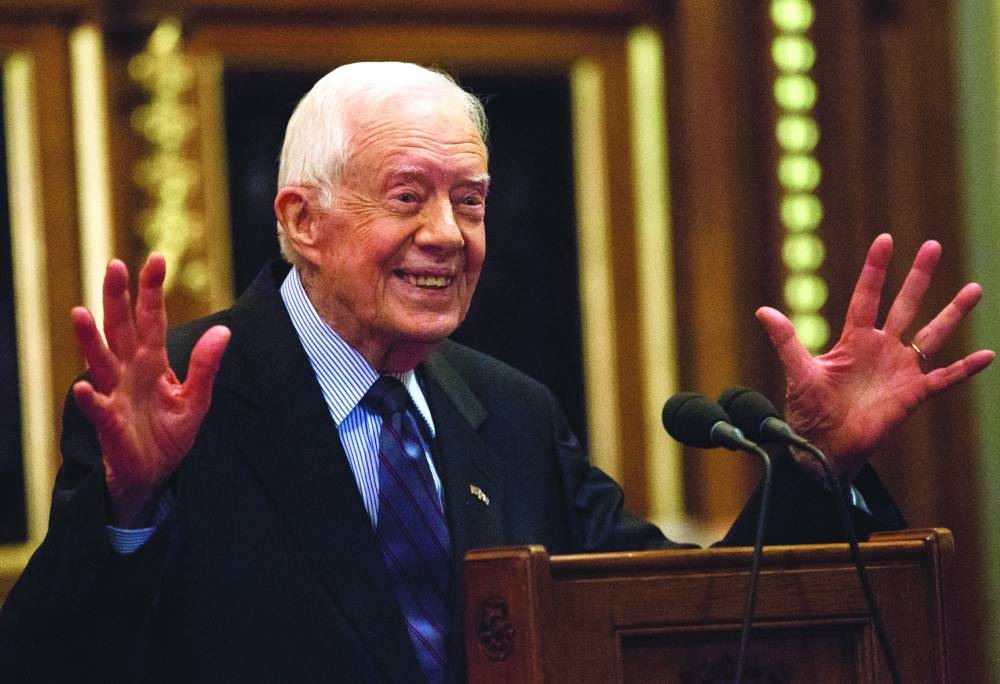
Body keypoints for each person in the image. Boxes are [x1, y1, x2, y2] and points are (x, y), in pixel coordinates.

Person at [0, 61, 992, 683]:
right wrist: (127, 511)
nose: (448, 235)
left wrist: (816, 465)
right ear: (302, 221)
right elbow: (48, 663)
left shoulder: (508, 412)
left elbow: (685, 623)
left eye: (469, 202)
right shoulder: (182, 398)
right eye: (408, 197)